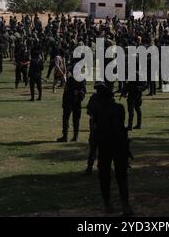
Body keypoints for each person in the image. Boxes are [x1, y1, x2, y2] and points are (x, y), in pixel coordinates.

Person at [92, 81, 133, 216]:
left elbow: (96, 129)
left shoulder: (99, 110)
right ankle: (124, 204)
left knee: (105, 176)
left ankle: (108, 203)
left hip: (106, 145)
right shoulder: (119, 108)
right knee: (121, 176)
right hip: (119, 145)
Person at [57, 69, 86, 142]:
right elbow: (84, 91)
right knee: (76, 119)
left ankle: (65, 136)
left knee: (66, 118)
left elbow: (66, 91)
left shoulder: (70, 80)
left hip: (69, 101)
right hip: (77, 101)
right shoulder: (82, 80)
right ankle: (75, 136)